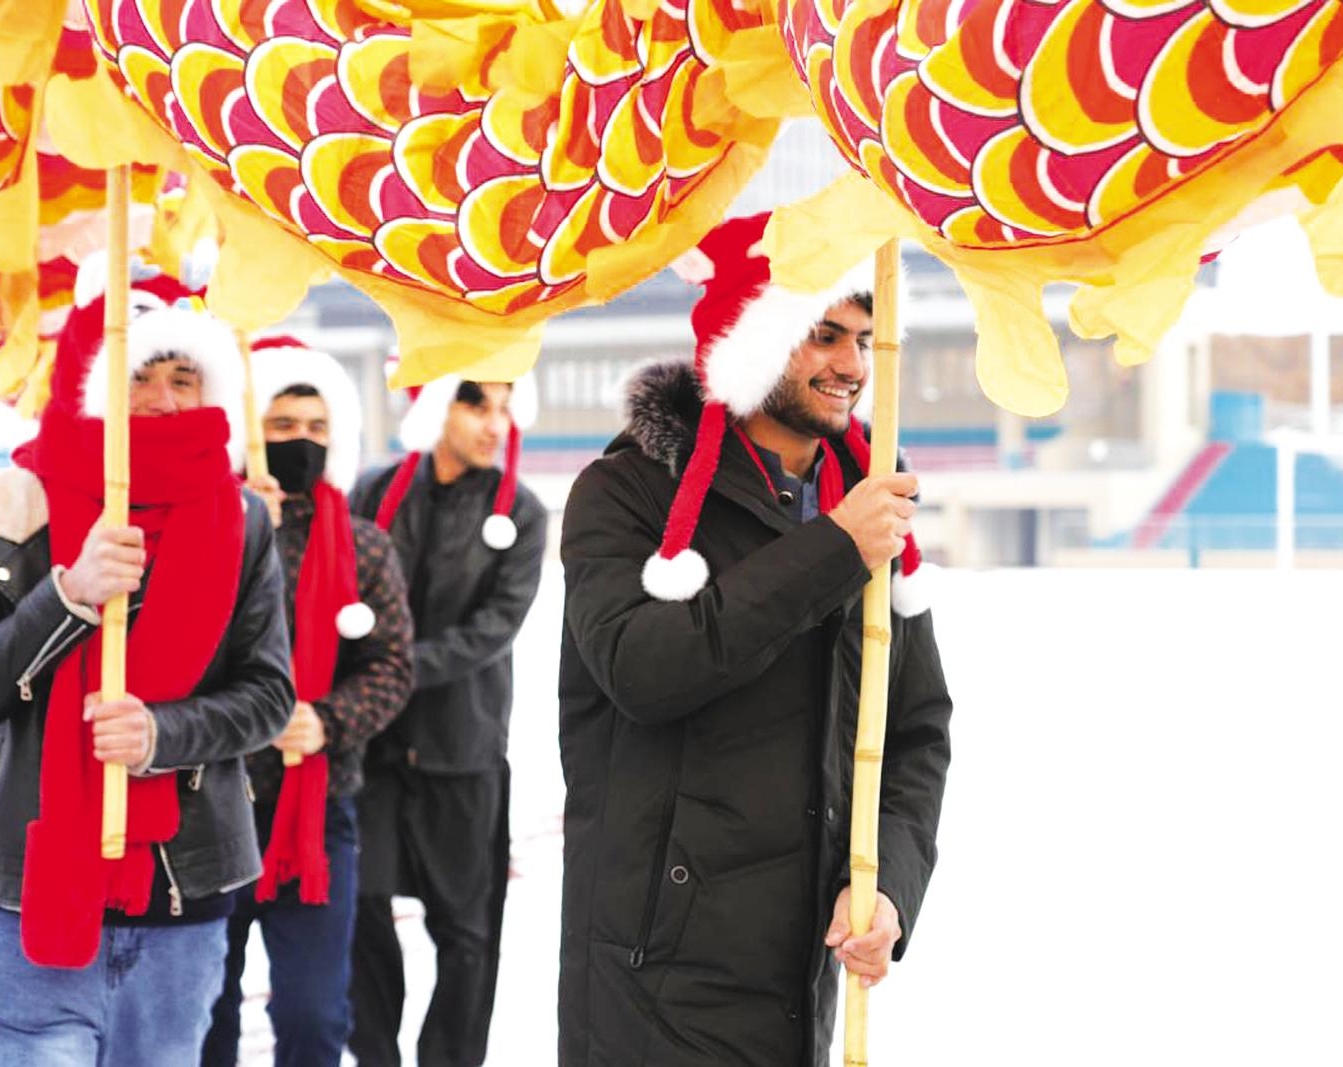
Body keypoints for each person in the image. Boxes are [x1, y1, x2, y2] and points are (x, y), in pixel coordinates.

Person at [556, 212, 953, 1066]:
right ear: (751, 338)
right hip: (649, 976)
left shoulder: (871, 515)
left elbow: (917, 729)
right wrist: (832, 549)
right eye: (822, 335)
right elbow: (642, 670)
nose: (850, 365)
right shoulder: (623, 493)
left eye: (864, 339)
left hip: (800, 972)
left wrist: (888, 888)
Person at [0, 261, 295, 1065]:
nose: (164, 401)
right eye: (139, 377)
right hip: (25, 896)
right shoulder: (6, 509)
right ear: (91, 380)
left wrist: (162, 732)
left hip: (180, 896)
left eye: (184, 377)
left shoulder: (240, 520)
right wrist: (68, 596)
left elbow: (269, 695)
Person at [202, 337, 413, 1067]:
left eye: (317, 428)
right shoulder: (205, 530)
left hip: (316, 813)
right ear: (252, 435)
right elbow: (182, 650)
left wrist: (325, 720)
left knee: (315, 1015)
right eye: (283, 426)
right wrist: (231, 531)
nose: (300, 441)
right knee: (208, 1012)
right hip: (211, 806)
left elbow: (392, 665)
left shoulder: (363, 545)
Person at [346, 373, 546, 1067]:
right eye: (476, 402)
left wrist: (394, 668)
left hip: (463, 748)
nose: (495, 422)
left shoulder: (519, 508)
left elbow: (494, 626)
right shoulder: (374, 491)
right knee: (361, 910)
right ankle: (376, 1056)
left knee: (466, 935)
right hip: (371, 748)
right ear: (435, 405)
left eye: (504, 405)